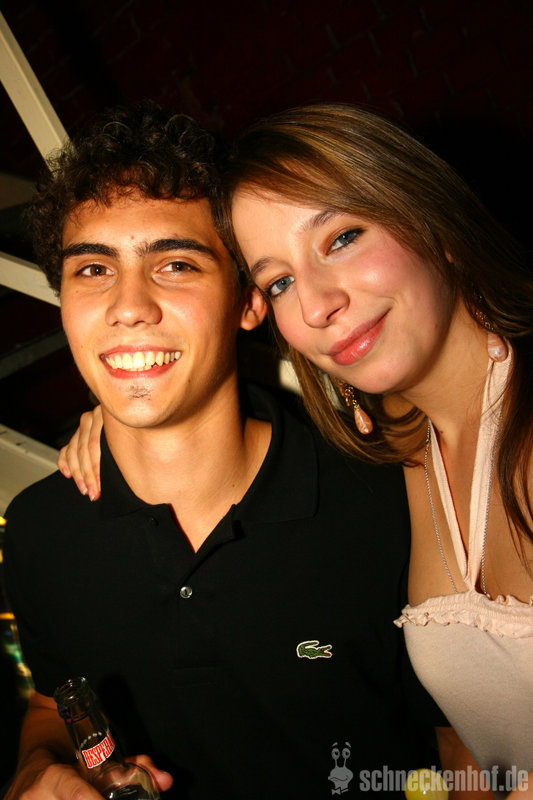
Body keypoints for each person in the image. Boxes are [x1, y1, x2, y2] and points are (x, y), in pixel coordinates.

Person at [2, 100, 448, 800]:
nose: (128, 306)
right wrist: (36, 766)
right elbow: (53, 702)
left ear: (248, 302)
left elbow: (458, 744)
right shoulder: (37, 530)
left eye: (175, 264)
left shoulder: (381, 499)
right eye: (92, 270)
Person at [215, 102, 533, 797]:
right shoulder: (401, 446)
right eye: (278, 282)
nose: (315, 305)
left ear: (433, 220)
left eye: (341, 238)